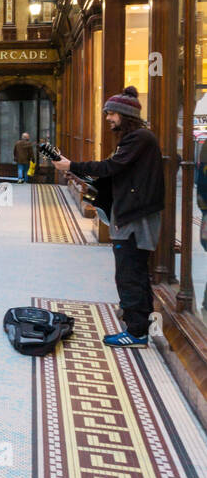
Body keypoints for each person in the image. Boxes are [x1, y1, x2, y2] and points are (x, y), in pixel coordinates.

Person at [55, 87, 164, 349]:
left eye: (111, 113)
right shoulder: (136, 139)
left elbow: (111, 168)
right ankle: (138, 321)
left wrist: (73, 166)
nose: (108, 118)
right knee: (133, 271)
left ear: (126, 115)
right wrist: (81, 176)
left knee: (129, 274)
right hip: (131, 214)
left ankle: (136, 332)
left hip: (135, 218)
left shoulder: (139, 139)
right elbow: (115, 176)